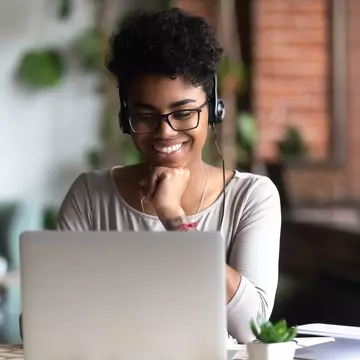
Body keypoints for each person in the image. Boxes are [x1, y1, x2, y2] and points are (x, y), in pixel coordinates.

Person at [56, 8, 281, 343]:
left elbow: (254, 328)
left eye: (184, 113)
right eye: (145, 116)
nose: (165, 132)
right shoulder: (91, 195)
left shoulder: (251, 196)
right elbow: (46, 320)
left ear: (214, 111)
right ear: (124, 117)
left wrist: (175, 219)